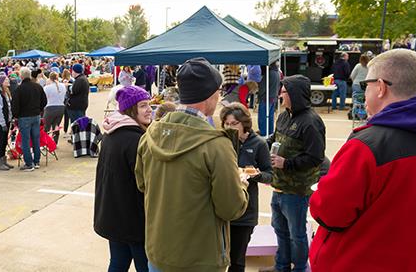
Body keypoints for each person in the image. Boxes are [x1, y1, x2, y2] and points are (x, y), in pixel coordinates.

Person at [309, 49, 416, 271]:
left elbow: (329, 214)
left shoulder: (366, 146)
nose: (365, 93)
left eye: (367, 85)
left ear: (381, 87)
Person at [135, 57, 249, 272]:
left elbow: (143, 185)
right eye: (219, 91)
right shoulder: (217, 145)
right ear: (211, 93)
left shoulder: (150, 135)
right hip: (200, 260)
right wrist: (241, 183)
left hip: (159, 253)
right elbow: (231, 208)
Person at [262, 75, 325, 272]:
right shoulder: (284, 115)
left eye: (284, 91)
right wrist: (258, 144)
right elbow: (274, 138)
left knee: (296, 233)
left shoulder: (311, 122)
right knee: (279, 229)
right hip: (279, 185)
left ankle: (299, 268)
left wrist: (286, 163)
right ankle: (281, 267)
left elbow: (316, 158)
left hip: (297, 190)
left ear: (295, 94)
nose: (280, 94)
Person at [94, 86, 153, 272]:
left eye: (149, 105)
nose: (149, 109)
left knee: (118, 263)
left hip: (114, 216)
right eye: (143, 105)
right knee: (145, 266)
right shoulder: (136, 140)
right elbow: (147, 184)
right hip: (133, 221)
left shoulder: (113, 133)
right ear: (130, 109)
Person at [220, 103, 273, 272]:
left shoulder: (258, 144)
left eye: (234, 123)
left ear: (244, 123)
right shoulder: (221, 142)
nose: (230, 127)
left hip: (245, 212)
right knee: (218, 257)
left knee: (237, 259)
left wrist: (255, 175)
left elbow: (269, 175)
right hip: (221, 209)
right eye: (226, 123)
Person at [11, 67, 47, 171]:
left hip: (24, 117)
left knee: (25, 141)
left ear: (21, 76)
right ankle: (36, 161)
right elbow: (44, 101)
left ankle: (29, 163)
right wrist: (39, 110)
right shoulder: (37, 87)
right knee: (36, 139)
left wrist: (16, 116)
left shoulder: (19, 89)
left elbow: (15, 105)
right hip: (36, 116)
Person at [0, 74, 14, 171]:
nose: (8, 81)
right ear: (1, 82)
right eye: (6, 80)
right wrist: (2, 123)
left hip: (7, 120)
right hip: (1, 122)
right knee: (0, 141)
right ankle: (0, 162)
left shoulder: (6, 92)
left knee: (4, 141)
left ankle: (4, 160)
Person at [258, 62, 280, 136]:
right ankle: (270, 134)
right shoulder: (277, 72)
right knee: (270, 118)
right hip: (273, 98)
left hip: (265, 99)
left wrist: (259, 95)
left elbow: (262, 88)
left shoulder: (268, 73)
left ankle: (263, 135)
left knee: (263, 119)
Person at [43, 72, 66, 144]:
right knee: (56, 126)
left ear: (50, 78)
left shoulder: (47, 88)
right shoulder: (63, 86)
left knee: (46, 127)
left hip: (50, 107)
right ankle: (55, 143)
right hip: (61, 108)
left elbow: (44, 99)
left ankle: (45, 142)